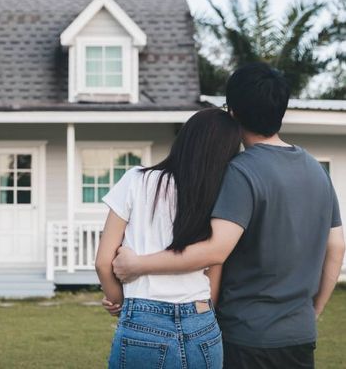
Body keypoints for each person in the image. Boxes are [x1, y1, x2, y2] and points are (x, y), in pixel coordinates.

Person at [108, 63, 345, 369]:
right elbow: (336, 246)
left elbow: (216, 250)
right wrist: (314, 311)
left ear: (232, 112)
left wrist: (137, 263)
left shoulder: (240, 172)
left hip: (246, 337)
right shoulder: (317, 170)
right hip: (299, 336)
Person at [95, 108, 242, 368]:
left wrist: (119, 301)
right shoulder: (220, 195)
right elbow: (215, 262)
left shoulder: (136, 180)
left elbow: (103, 261)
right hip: (202, 320)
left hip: (144, 317)